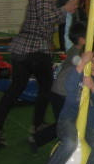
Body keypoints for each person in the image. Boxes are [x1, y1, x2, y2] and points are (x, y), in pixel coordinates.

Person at [0, 0, 78, 147]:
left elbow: (49, 19)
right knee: (46, 87)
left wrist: (66, 11)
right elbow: (46, 19)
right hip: (36, 50)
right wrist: (65, 9)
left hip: (23, 50)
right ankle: (37, 125)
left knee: (16, 89)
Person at [29, 44, 94, 164]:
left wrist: (93, 87)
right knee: (70, 143)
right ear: (86, 60)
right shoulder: (76, 74)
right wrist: (81, 65)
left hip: (89, 125)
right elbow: (69, 87)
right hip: (68, 119)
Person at [28, 21, 87, 153]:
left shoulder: (78, 50)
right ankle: (38, 139)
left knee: (66, 122)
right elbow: (78, 62)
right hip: (61, 94)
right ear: (81, 39)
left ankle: (38, 139)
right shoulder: (75, 52)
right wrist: (86, 59)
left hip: (62, 93)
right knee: (65, 123)